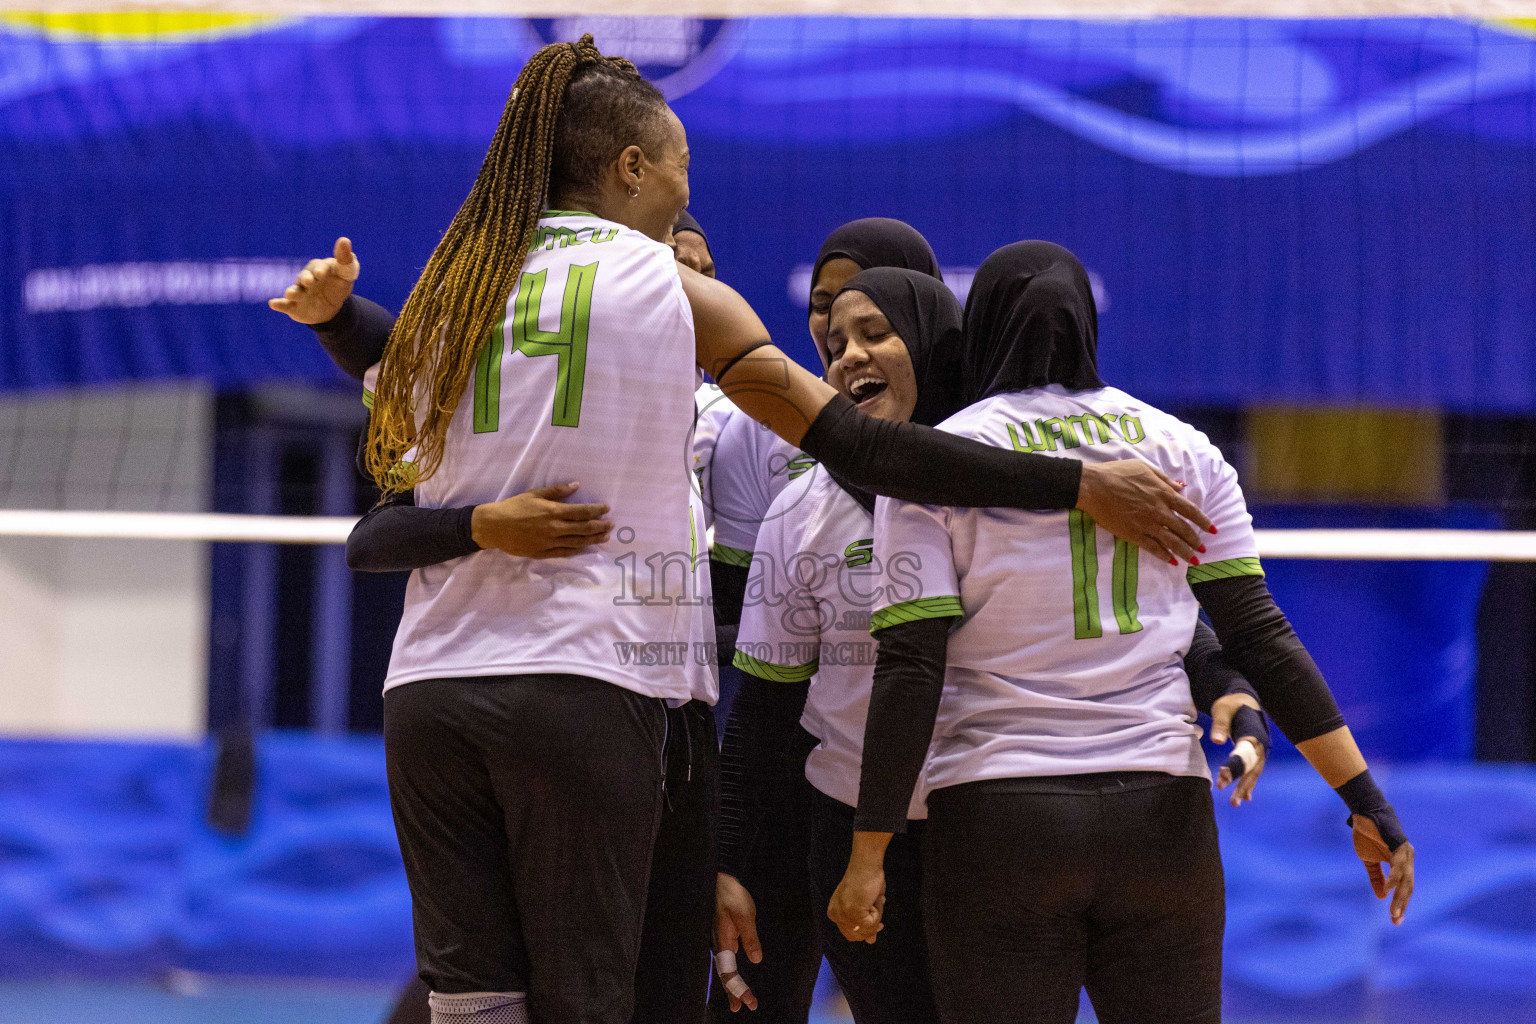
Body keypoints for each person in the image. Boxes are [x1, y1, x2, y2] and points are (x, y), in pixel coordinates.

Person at [271, 36, 1211, 1024]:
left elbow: (392, 428)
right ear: (630, 166)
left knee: (472, 1005)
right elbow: (869, 449)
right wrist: (1073, 485)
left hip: (428, 696)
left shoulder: (450, 294)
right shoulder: (668, 291)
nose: (685, 185)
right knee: (598, 1000)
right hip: (589, 684)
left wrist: (341, 325)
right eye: (678, 162)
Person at [828, 241, 1414, 1024]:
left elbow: (911, 665)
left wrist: (869, 850)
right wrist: (1363, 798)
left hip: (1001, 817)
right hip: (1161, 816)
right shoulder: (1182, 448)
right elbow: (1259, 634)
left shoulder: (935, 463)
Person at [720, 267, 1268, 1024]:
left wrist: (1220, 678)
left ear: (933, 338)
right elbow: (764, 712)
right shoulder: (799, 513)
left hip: (985, 819)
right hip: (867, 828)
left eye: (875, 332)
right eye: (832, 333)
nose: (846, 353)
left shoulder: (1005, 457)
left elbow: (1132, 607)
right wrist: (737, 859)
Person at [705, 219, 949, 1024]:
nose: (840, 330)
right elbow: (755, 646)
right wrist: (732, 849)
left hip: (972, 806)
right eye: (824, 310)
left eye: (874, 317)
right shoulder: (760, 436)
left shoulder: (991, 449)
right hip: (822, 776)